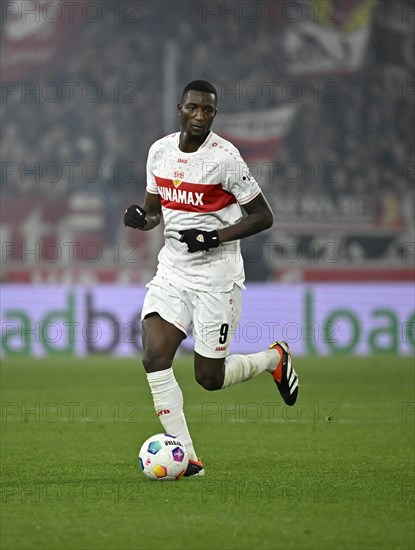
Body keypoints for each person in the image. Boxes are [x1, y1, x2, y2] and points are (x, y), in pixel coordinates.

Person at [124, 80, 299, 477]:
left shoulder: (226, 159)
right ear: (180, 109)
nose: (200, 116)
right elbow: (155, 211)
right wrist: (142, 218)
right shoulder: (160, 151)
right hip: (172, 272)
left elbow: (263, 216)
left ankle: (274, 357)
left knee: (209, 378)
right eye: (194, 109)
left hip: (216, 278)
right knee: (154, 356)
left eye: (208, 111)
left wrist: (213, 237)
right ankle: (188, 460)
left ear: (214, 115)